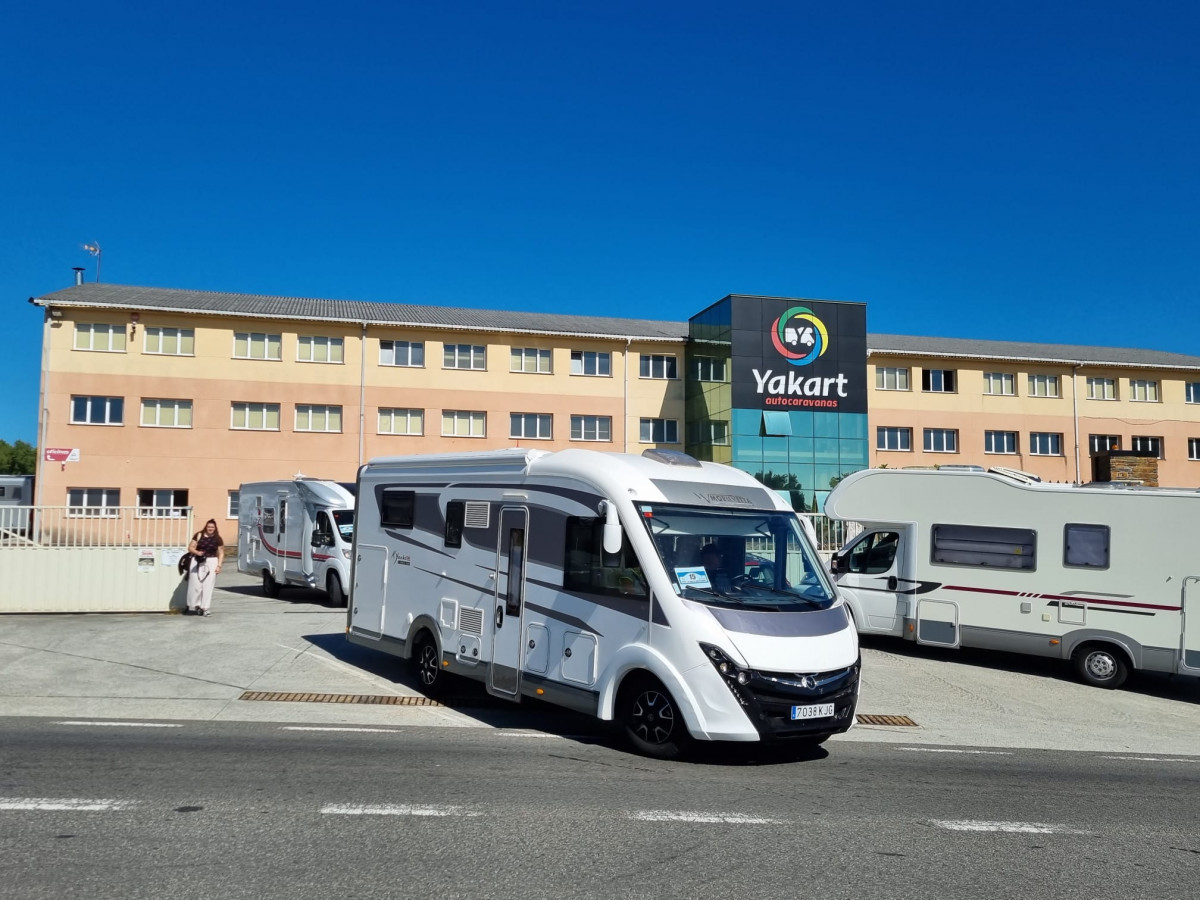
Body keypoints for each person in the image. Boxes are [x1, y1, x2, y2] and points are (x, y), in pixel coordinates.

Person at [186, 519, 225, 616]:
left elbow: (221, 553)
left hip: (212, 561)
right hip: (197, 561)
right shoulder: (199, 535)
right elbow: (190, 547)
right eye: (208, 527)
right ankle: (196, 605)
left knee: (208, 586)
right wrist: (197, 552)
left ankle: (205, 608)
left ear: (215, 528)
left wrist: (219, 566)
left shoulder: (218, 538)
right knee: (195, 585)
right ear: (206, 527)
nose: (210, 528)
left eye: (212, 527)